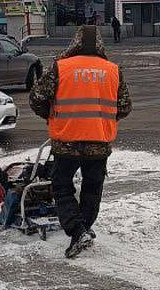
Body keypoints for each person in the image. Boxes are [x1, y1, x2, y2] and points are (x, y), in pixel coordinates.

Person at [29, 25, 132, 258]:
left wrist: (50, 114)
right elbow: (125, 106)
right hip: (99, 141)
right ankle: (84, 228)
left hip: (67, 140)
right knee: (92, 188)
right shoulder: (113, 70)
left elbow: (36, 98)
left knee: (62, 186)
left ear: (74, 42)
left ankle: (77, 231)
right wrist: (102, 118)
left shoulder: (60, 67)